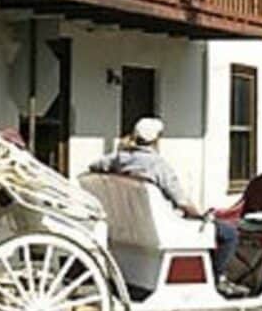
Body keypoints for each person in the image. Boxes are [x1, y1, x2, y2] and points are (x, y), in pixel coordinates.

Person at [89, 117, 248, 297]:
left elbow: (93, 166)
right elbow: (182, 201)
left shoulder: (118, 158)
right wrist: (201, 215)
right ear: (156, 140)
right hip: (162, 228)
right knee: (229, 234)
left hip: (129, 230)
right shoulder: (158, 165)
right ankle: (217, 279)